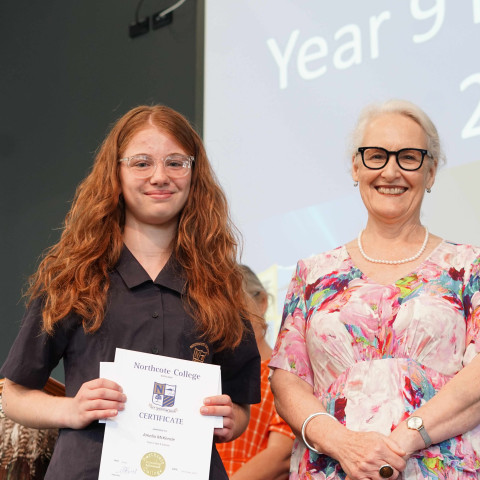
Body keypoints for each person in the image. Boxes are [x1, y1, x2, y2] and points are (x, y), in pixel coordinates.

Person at [0, 105, 261, 480]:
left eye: (176, 162)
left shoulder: (221, 286)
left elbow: (240, 409)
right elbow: (13, 396)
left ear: (194, 173)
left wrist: (229, 420)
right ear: (116, 173)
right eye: (141, 163)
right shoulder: (73, 275)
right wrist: (72, 409)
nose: (160, 176)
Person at [269, 99, 480, 480]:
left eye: (410, 157)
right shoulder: (312, 274)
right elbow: (287, 384)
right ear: (356, 166)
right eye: (376, 155)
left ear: (431, 172)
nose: (391, 170)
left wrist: (393, 447)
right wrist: (344, 445)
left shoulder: (469, 267)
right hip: (330, 469)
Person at [217, 265, 295, 479]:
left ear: (262, 302)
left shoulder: (285, 372)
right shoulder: (209, 374)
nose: (224, 318)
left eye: (233, 305)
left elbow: (281, 456)